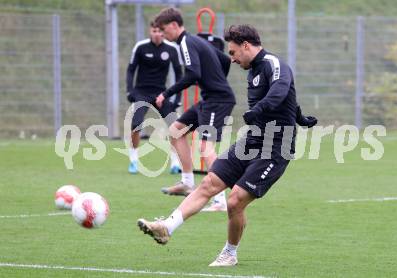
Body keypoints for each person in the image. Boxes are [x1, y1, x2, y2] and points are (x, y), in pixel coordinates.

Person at [137, 24, 317, 266]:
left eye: (233, 53)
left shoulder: (274, 64)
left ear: (246, 45)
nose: (231, 59)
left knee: (235, 200)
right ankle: (166, 227)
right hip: (252, 141)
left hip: (276, 147)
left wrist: (260, 110)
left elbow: (281, 89)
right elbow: (288, 99)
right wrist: (300, 118)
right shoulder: (252, 71)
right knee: (209, 182)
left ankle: (229, 254)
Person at [154, 7, 236, 212]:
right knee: (176, 131)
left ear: (174, 25)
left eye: (164, 31)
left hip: (218, 100)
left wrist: (166, 93)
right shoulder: (194, 41)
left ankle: (220, 201)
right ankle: (188, 183)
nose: (163, 35)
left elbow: (192, 74)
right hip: (210, 98)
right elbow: (225, 60)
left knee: (205, 148)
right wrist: (215, 80)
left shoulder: (186, 43)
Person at [126, 21, 183, 175]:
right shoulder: (140, 47)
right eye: (154, 31)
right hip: (142, 92)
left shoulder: (172, 49)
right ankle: (133, 161)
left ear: (163, 32)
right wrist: (129, 91)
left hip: (161, 94)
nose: (157, 34)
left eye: (160, 31)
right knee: (136, 124)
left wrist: (177, 97)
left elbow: (179, 74)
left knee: (175, 127)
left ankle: (175, 163)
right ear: (150, 31)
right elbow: (131, 70)